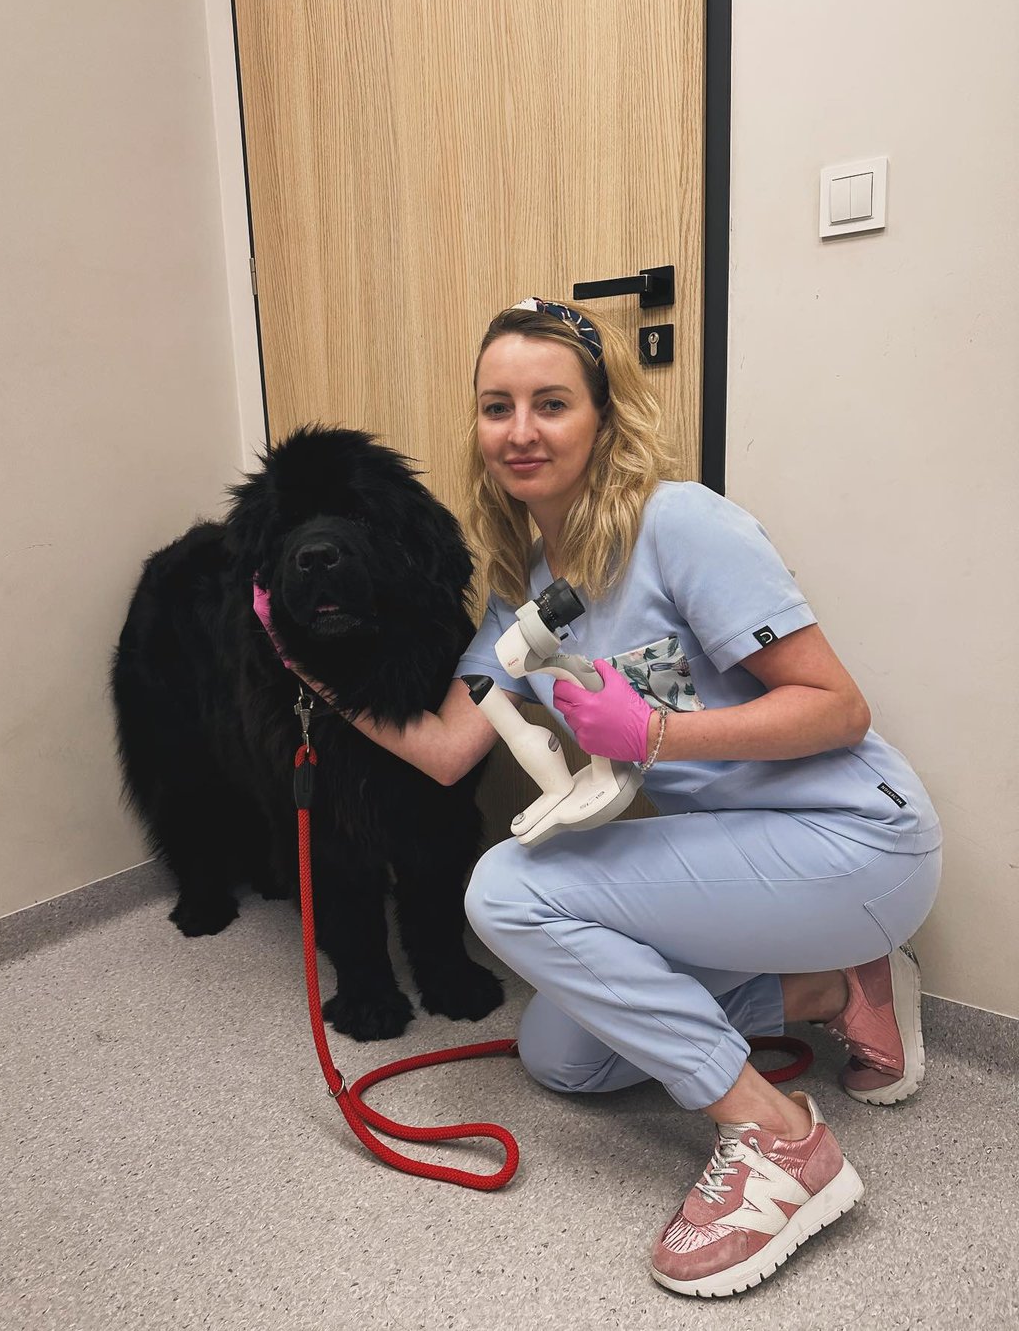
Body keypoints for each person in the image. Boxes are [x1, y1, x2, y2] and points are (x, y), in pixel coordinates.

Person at [308, 298, 942, 1298]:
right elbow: (446, 749)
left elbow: (839, 709)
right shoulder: (525, 586)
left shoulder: (679, 523)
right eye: (497, 407)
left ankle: (780, 1141)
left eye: (551, 403)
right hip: (743, 869)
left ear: (603, 416)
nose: (520, 431)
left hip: (856, 840)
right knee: (565, 1057)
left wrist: (653, 735)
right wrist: (298, 659)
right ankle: (838, 987)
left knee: (505, 889)